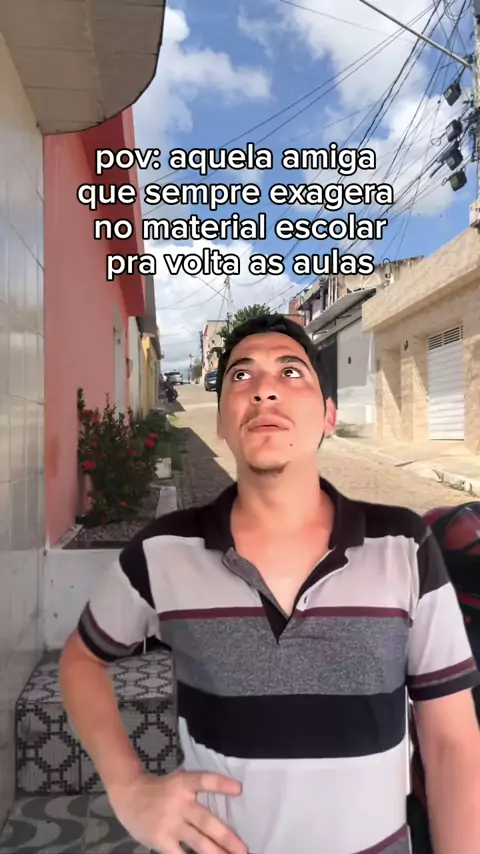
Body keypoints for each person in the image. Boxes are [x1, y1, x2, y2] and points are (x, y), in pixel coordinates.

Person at [59, 314, 480, 854]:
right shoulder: (163, 552)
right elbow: (81, 660)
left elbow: (450, 742)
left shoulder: (404, 546)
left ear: (328, 414)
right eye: (241, 375)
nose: (264, 390)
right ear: (221, 420)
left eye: (291, 372)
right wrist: (127, 786)